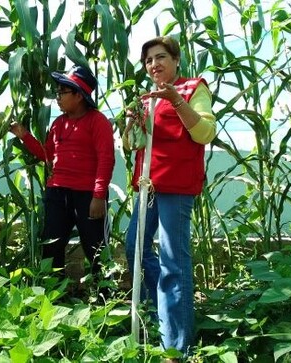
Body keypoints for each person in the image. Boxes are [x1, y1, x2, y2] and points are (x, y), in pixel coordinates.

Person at [123, 36, 216, 358]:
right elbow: (134, 146)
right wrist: (132, 125)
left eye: (160, 57)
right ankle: (157, 316)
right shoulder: (148, 99)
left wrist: (176, 99)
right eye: (148, 60)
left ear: (176, 60)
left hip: (176, 187)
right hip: (149, 187)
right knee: (134, 248)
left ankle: (177, 347)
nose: (154, 64)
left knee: (174, 262)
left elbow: (205, 133)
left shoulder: (192, 89)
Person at [9, 65, 115, 283]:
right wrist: (24, 135)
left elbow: (106, 160)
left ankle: (105, 296)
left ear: (78, 95)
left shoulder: (98, 122)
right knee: (51, 245)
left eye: (62, 92)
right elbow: (48, 156)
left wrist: (98, 196)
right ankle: (54, 296)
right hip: (58, 193)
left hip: (87, 196)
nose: (57, 97)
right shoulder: (59, 123)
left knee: (95, 249)